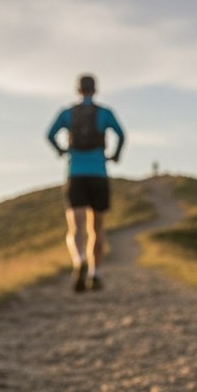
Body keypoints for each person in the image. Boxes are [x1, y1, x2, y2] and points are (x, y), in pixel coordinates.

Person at [46, 74, 125, 292]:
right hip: (98, 173)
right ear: (95, 90)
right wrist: (115, 155)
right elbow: (121, 134)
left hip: (75, 173)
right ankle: (95, 273)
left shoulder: (67, 113)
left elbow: (50, 134)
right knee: (96, 228)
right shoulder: (105, 113)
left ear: (78, 90)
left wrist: (61, 151)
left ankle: (79, 259)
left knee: (75, 227)